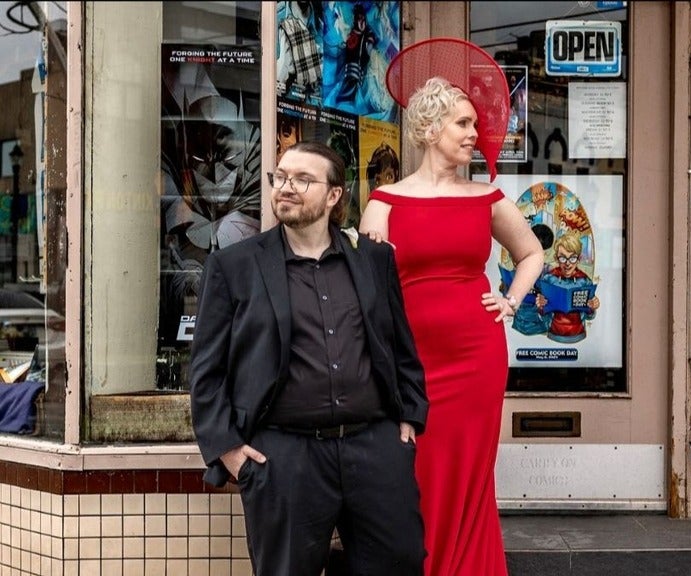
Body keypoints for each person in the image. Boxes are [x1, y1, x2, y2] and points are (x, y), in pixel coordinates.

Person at [190, 141, 428, 576]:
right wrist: (229, 451)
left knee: (400, 563)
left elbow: (400, 345)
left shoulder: (373, 259)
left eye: (303, 179)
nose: (286, 187)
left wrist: (409, 420)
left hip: (374, 449)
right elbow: (206, 371)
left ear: (334, 195)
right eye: (280, 177)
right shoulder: (234, 266)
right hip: (284, 457)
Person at [360, 76, 544, 576]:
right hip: (410, 359)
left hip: (476, 356)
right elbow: (366, 291)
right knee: (417, 469)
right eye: (462, 123)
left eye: (474, 124)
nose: (473, 133)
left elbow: (532, 253)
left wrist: (510, 301)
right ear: (429, 126)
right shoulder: (385, 201)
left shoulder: (487, 197)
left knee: (468, 473)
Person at [535, 232, 600, 343]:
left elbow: (589, 316)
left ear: (579, 258)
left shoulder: (585, 281)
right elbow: (543, 316)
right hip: (553, 335)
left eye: (572, 258)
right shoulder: (548, 279)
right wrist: (540, 307)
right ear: (556, 258)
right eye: (563, 258)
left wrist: (592, 307)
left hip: (579, 335)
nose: (568, 264)